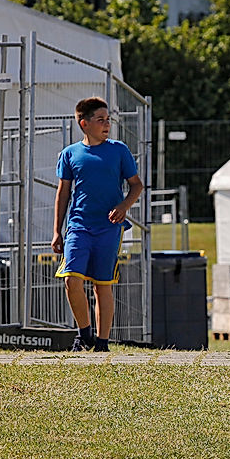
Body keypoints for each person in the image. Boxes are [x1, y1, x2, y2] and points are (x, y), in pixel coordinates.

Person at [52, 97, 143, 353]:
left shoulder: (119, 150)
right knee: (71, 279)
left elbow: (136, 185)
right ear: (84, 123)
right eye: (100, 120)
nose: (107, 125)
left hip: (109, 228)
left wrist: (124, 206)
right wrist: (56, 230)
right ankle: (84, 334)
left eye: (108, 120)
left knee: (102, 284)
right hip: (78, 226)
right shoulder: (70, 154)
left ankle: (102, 343)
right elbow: (63, 194)